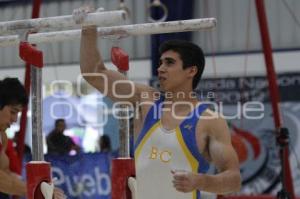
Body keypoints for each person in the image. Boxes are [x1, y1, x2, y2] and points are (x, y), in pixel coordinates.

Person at [76, 8, 241, 199]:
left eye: (169, 63)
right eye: (161, 62)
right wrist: (88, 28)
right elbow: (94, 74)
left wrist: (200, 181)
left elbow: (233, 179)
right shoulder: (145, 100)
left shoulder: (209, 120)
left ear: (191, 70)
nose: (161, 68)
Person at [0, 77, 65, 198]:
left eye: (17, 113)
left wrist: (40, 187)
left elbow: (6, 174)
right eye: (13, 112)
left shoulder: (2, 137)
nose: (15, 119)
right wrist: (34, 189)